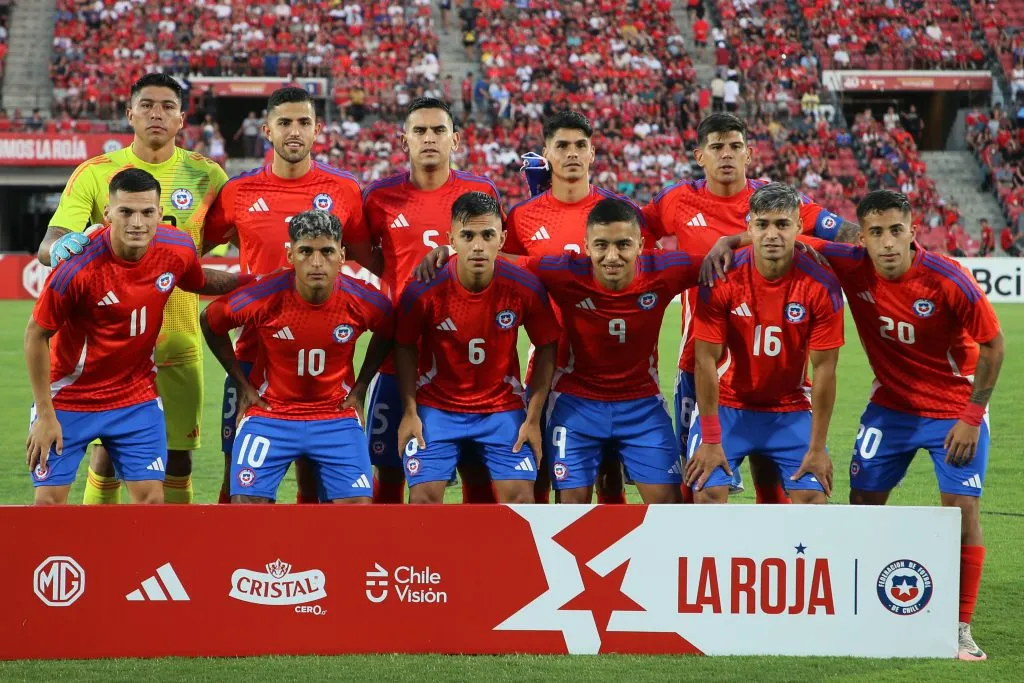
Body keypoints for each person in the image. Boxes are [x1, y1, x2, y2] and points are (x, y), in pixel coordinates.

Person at [801, 190, 1004, 661]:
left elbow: (994, 347)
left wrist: (972, 417)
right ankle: (864, 609)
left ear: (913, 231)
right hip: (890, 405)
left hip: (954, 409)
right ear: (863, 238)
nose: (887, 242)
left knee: (961, 511)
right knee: (863, 501)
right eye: (876, 233)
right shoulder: (850, 262)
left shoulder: (949, 278)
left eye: (896, 231)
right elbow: (784, 237)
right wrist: (726, 242)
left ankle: (959, 627)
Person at [417, 110, 650, 504]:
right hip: (550, 366)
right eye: (562, 146)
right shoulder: (524, 217)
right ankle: (538, 559)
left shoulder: (619, 213)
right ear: (547, 152)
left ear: (593, 153)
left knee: (610, 478)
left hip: (612, 366)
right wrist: (449, 250)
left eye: (580, 146)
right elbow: (493, 264)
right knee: (539, 470)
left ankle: (612, 562)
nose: (572, 154)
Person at [36, 73, 229, 505]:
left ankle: (171, 551)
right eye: (146, 105)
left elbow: (226, 238)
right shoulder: (96, 173)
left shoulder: (207, 176)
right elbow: (49, 245)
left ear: (183, 118)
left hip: (178, 338)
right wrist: (62, 247)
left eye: (166, 106)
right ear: (130, 114)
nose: (156, 113)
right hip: (111, 346)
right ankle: (99, 554)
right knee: (106, 455)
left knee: (178, 458)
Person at [644, 112, 855, 503]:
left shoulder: (775, 200)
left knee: (771, 480)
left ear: (749, 153)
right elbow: (628, 234)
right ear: (700, 155)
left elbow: (845, 236)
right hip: (700, 362)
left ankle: (765, 557)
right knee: (696, 480)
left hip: (776, 375)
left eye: (735, 146)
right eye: (717, 147)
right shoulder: (675, 200)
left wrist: (731, 240)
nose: (727, 155)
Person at [25, 169, 248, 505]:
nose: (137, 223)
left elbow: (198, 281)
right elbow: (35, 336)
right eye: (126, 211)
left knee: (151, 501)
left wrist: (257, 282)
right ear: (107, 214)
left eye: (147, 212)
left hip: (135, 396)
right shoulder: (76, 268)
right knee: (48, 505)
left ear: (160, 214)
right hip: (70, 397)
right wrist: (45, 415)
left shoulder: (177, 247)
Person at [204, 86, 376, 505]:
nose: (293, 131)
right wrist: (235, 285)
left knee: (316, 480)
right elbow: (185, 260)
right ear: (267, 129)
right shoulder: (237, 192)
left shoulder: (345, 189)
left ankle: (315, 563)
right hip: (251, 351)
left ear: (318, 129)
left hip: (320, 343)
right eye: (284, 123)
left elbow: (373, 261)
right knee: (235, 474)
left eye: (303, 122)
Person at [361, 97, 502, 504]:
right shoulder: (379, 198)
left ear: (455, 139)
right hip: (398, 356)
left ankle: (476, 565)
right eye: (419, 131)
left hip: (466, 361)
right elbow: (370, 257)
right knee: (387, 466)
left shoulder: (480, 192)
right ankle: (388, 558)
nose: (429, 138)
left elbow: (497, 257)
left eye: (439, 130)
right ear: (403, 139)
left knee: (476, 470)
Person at [200, 211, 392, 504]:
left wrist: (361, 387)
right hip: (270, 414)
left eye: (327, 251)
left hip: (335, 415)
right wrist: (242, 384)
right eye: (306, 251)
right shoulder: (264, 294)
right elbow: (211, 321)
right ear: (290, 254)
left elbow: (389, 330)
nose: (316, 262)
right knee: (245, 505)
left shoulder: (364, 299)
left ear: (342, 254)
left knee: (358, 509)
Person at [525, 198, 704, 504]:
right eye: (601, 245)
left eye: (623, 244)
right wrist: (449, 253)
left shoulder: (666, 269)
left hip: (642, 405)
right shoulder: (561, 271)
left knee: (668, 507)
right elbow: (499, 263)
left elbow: (731, 259)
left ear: (641, 244)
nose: (612, 256)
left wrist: (739, 240)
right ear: (585, 245)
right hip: (576, 403)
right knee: (571, 507)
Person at [395, 192, 560, 503]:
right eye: (468, 235)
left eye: (488, 235)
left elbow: (547, 346)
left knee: (522, 499)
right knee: (423, 500)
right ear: (451, 240)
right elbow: (404, 346)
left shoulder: (524, 286)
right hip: (437, 408)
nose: (478, 245)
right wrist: (410, 411)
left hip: (502, 409)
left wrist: (533, 419)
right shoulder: (423, 287)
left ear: (502, 239)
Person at [684, 183, 844, 506]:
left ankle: (781, 557)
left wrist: (817, 448)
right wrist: (712, 439)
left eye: (782, 224)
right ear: (749, 227)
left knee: (813, 497)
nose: (772, 234)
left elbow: (825, 369)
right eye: (763, 225)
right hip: (729, 404)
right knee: (705, 492)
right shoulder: (722, 277)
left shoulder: (821, 284)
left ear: (799, 227)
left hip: (790, 407)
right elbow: (705, 361)